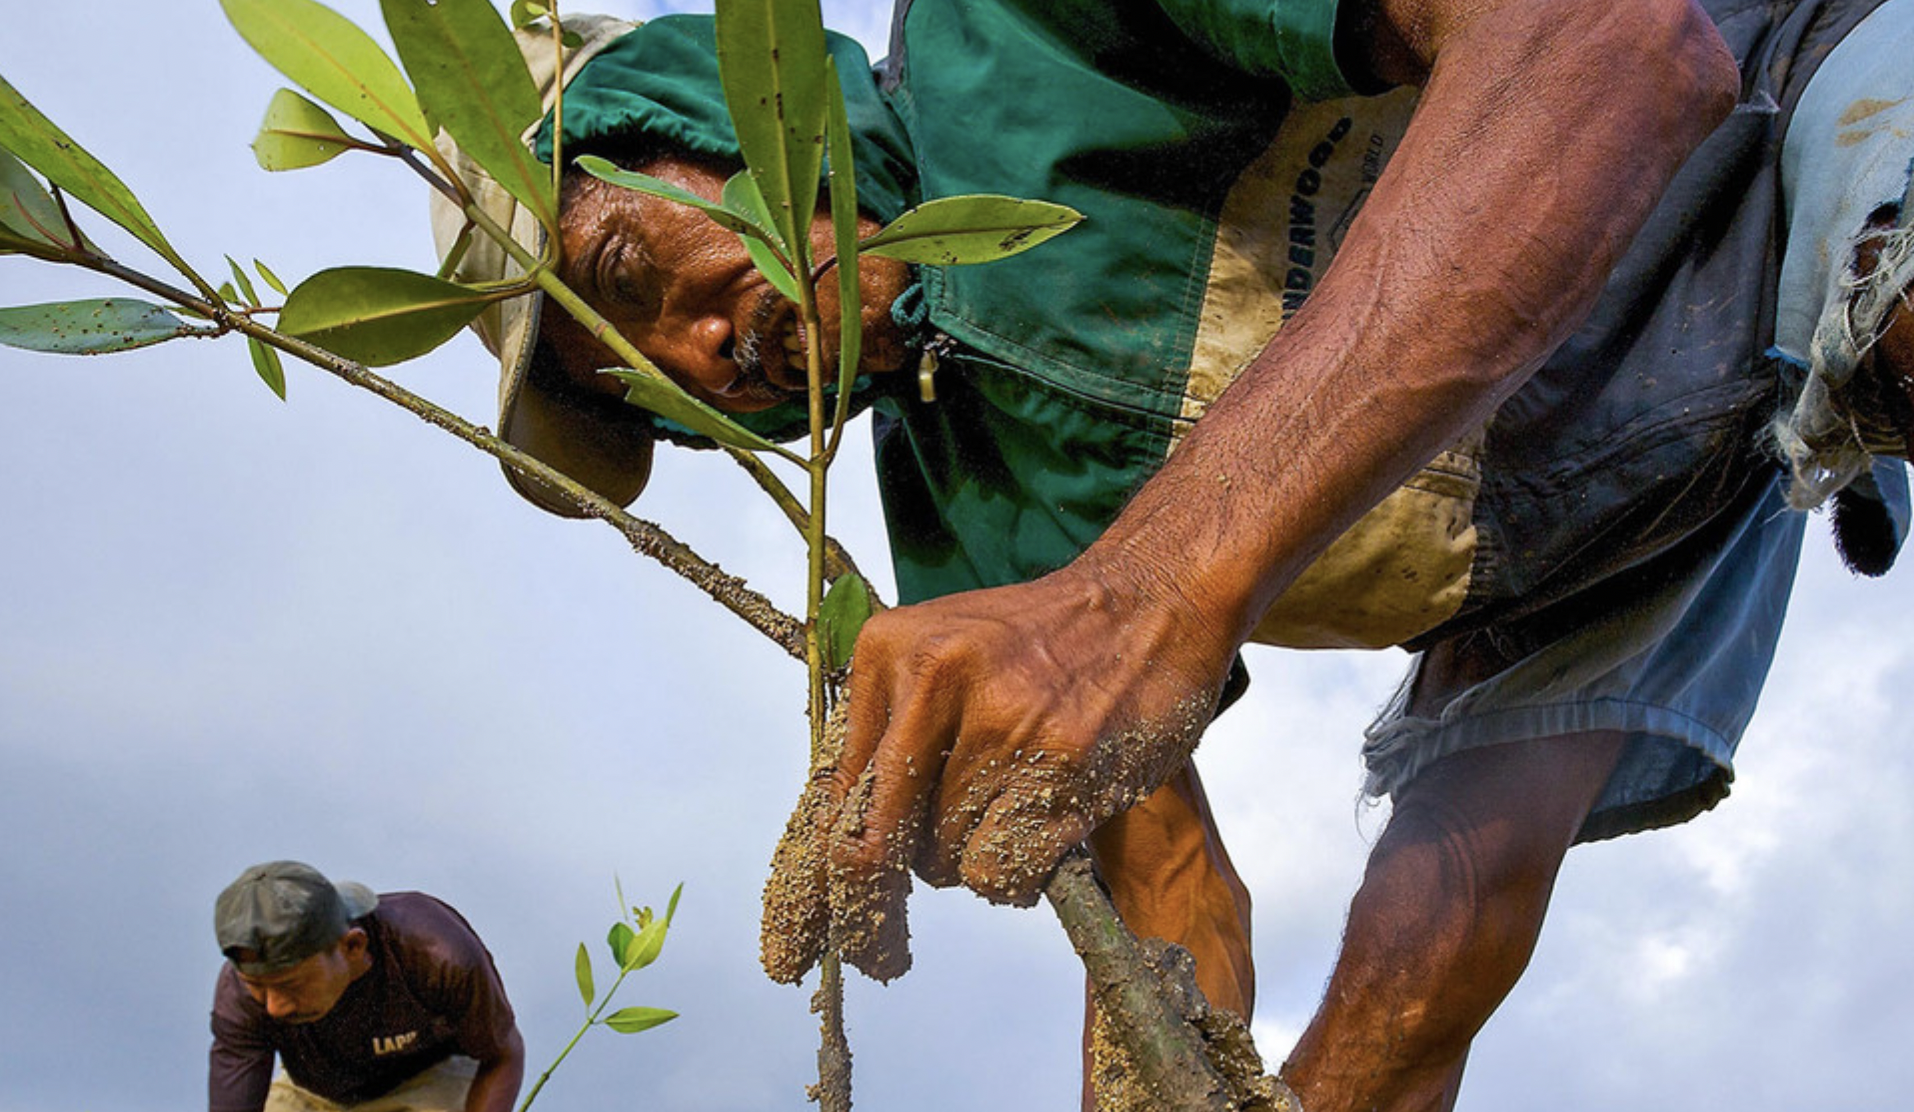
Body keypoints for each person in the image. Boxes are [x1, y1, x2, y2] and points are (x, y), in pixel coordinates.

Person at [432, 1, 1914, 1108]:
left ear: (704, 114)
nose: (700, 354)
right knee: (1368, 1059)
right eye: (647, 382)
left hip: (1795, 104)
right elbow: (1169, 916)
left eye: (635, 274)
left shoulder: (1020, 28)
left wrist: (1148, 589)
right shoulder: (964, 515)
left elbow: (1610, 49)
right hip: (1600, 546)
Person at [208, 861, 525, 1112]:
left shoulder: (437, 956)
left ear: (352, 946)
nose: (275, 1007)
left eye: (291, 985)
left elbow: (500, 1057)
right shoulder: (238, 995)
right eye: (258, 987)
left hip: (429, 1081)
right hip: (315, 1091)